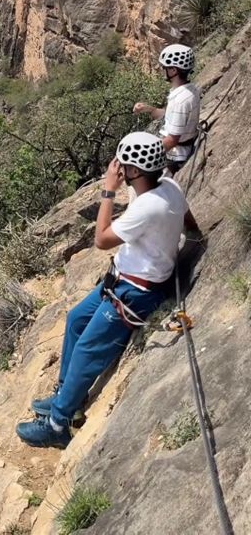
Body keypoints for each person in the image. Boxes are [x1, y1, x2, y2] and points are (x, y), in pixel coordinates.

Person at [16, 131, 200, 450]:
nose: (118, 168)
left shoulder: (147, 207)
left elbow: (101, 239)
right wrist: (189, 240)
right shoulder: (169, 185)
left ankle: (58, 425)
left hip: (134, 291)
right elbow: (187, 218)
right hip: (122, 280)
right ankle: (66, 396)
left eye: (123, 165)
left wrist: (107, 191)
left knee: (88, 349)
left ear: (135, 172)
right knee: (75, 320)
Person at [133, 43, 200, 175]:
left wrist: (144, 154)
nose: (162, 70)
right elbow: (170, 115)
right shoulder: (189, 89)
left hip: (174, 157)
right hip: (174, 150)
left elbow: (172, 140)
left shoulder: (181, 100)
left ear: (173, 70)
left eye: (165, 67)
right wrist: (148, 109)